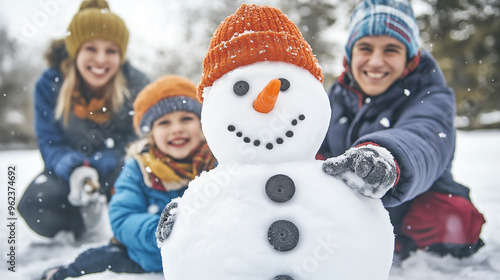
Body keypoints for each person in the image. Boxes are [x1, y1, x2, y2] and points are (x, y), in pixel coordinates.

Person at [320, 0, 486, 260]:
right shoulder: (334, 97)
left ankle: (400, 245)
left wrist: (385, 158)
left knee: (454, 218)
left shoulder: (432, 95)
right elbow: (310, 144)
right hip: (349, 205)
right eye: (365, 48)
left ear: (410, 58)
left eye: (391, 50)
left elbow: (425, 135)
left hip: (410, 204)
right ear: (350, 55)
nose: (376, 62)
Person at [40, 75, 217, 280]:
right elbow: (123, 216)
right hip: (145, 255)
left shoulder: (218, 162)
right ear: (150, 134)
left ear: (202, 124)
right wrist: (162, 231)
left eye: (186, 118)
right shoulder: (139, 167)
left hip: (204, 255)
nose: (176, 129)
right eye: (164, 123)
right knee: (97, 260)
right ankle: (61, 274)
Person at [18, 0, 150, 241]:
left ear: (120, 56)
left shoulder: (137, 84)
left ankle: (120, 217)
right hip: (68, 173)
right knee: (35, 205)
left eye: (111, 51)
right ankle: (82, 219)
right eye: (91, 48)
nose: (101, 59)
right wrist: (73, 167)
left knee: (139, 185)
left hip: (119, 166)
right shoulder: (49, 84)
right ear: (75, 50)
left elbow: (139, 137)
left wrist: (107, 160)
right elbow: (49, 141)